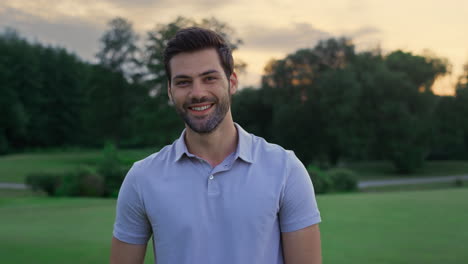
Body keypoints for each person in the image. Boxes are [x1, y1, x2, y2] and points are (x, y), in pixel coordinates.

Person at [110, 27, 322, 264]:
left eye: (209, 78)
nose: (197, 93)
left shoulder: (285, 169)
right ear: (170, 91)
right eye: (183, 82)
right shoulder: (142, 178)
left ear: (232, 82)